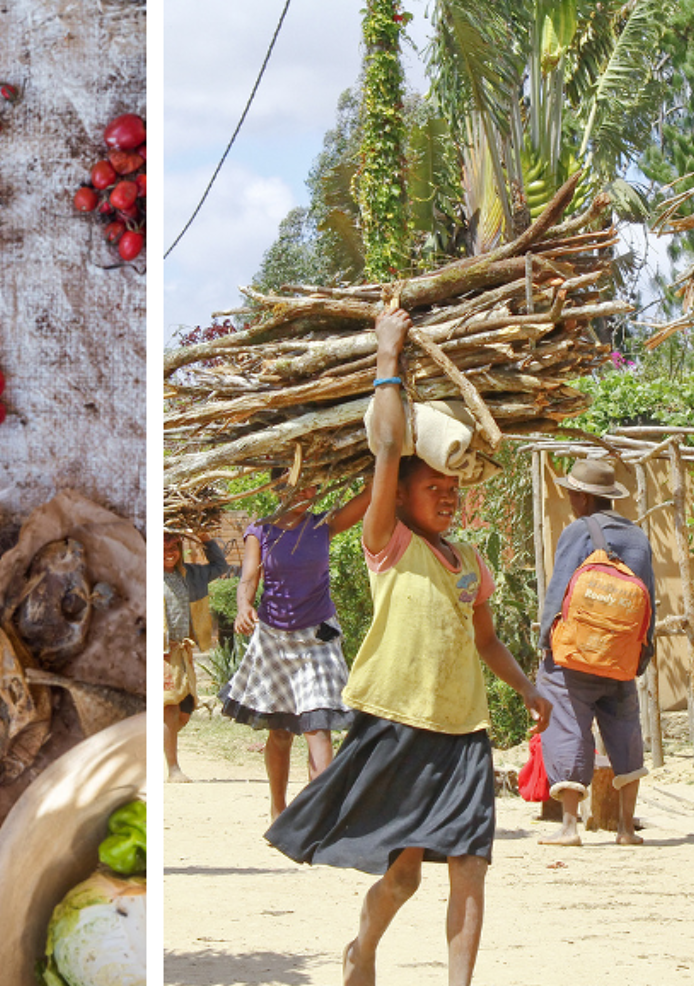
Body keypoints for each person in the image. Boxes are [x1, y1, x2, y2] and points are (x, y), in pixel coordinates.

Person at [265, 305, 550, 986]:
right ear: (404, 498)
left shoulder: (470, 563)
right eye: (435, 488)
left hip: (463, 734)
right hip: (397, 723)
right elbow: (388, 449)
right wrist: (387, 357)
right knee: (403, 880)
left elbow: (485, 640)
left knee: (472, 868)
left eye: (454, 489)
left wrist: (528, 688)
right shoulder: (387, 543)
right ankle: (362, 949)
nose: (447, 498)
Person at [222, 476, 370, 819]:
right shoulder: (260, 531)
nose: (307, 494)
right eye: (297, 487)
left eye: (312, 487)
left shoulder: (322, 525)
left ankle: (321, 816)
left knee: (318, 725)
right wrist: (244, 607)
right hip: (274, 639)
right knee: (281, 731)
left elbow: (370, 493)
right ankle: (278, 807)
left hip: (317, 637)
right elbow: (248, 578)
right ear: (276, 490)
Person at [536, 458, 656, 847]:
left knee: (568, 723)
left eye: (572, 493)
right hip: (620, 656)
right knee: (624, 729)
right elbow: (649, 599)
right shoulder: (638, 538)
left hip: (573, 657)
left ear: (583, 498)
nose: (570, 498)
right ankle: (624, 828)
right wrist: (641, 653)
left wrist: (545, 644)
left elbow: (559, 592)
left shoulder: (577, 532)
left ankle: (570, 827)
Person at [163, 534, 228, 783]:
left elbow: (220, 567)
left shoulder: (190, 575)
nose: (169, 552)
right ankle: (173, 769)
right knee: (170, 707)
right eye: (163, 548)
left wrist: (206, 540)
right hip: (160, 654)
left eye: (174, 547)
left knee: (184, 712)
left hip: (182, 651)